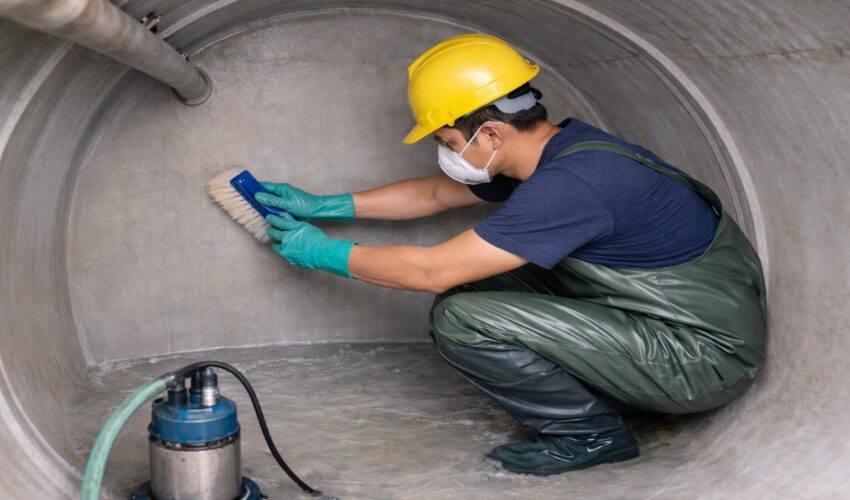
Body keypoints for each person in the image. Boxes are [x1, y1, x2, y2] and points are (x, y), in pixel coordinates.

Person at [253, 34, 766, 476]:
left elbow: (433, 271)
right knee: (476, 288)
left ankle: (593, 436)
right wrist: (327, 205)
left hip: (700, 357)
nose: (448, 152)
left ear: (492, 132)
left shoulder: (573, 185)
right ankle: (605, 394)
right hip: (650, 316)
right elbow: (433, 196)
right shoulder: (556, 150)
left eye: (448, 140)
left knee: (462, 316)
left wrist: (325, 253)